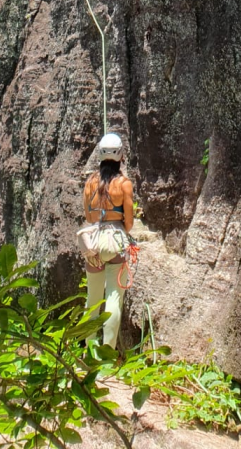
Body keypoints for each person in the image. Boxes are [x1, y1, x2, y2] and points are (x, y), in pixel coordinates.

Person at [83, 132, 134, 349]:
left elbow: (87, 216)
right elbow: (129, 221)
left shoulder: (90, 182)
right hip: (115, 241)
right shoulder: (124, 184)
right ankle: (107, 354)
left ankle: (89, 351)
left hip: (93, 241)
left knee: (92, 300)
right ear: (121, 155)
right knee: (113, 300)